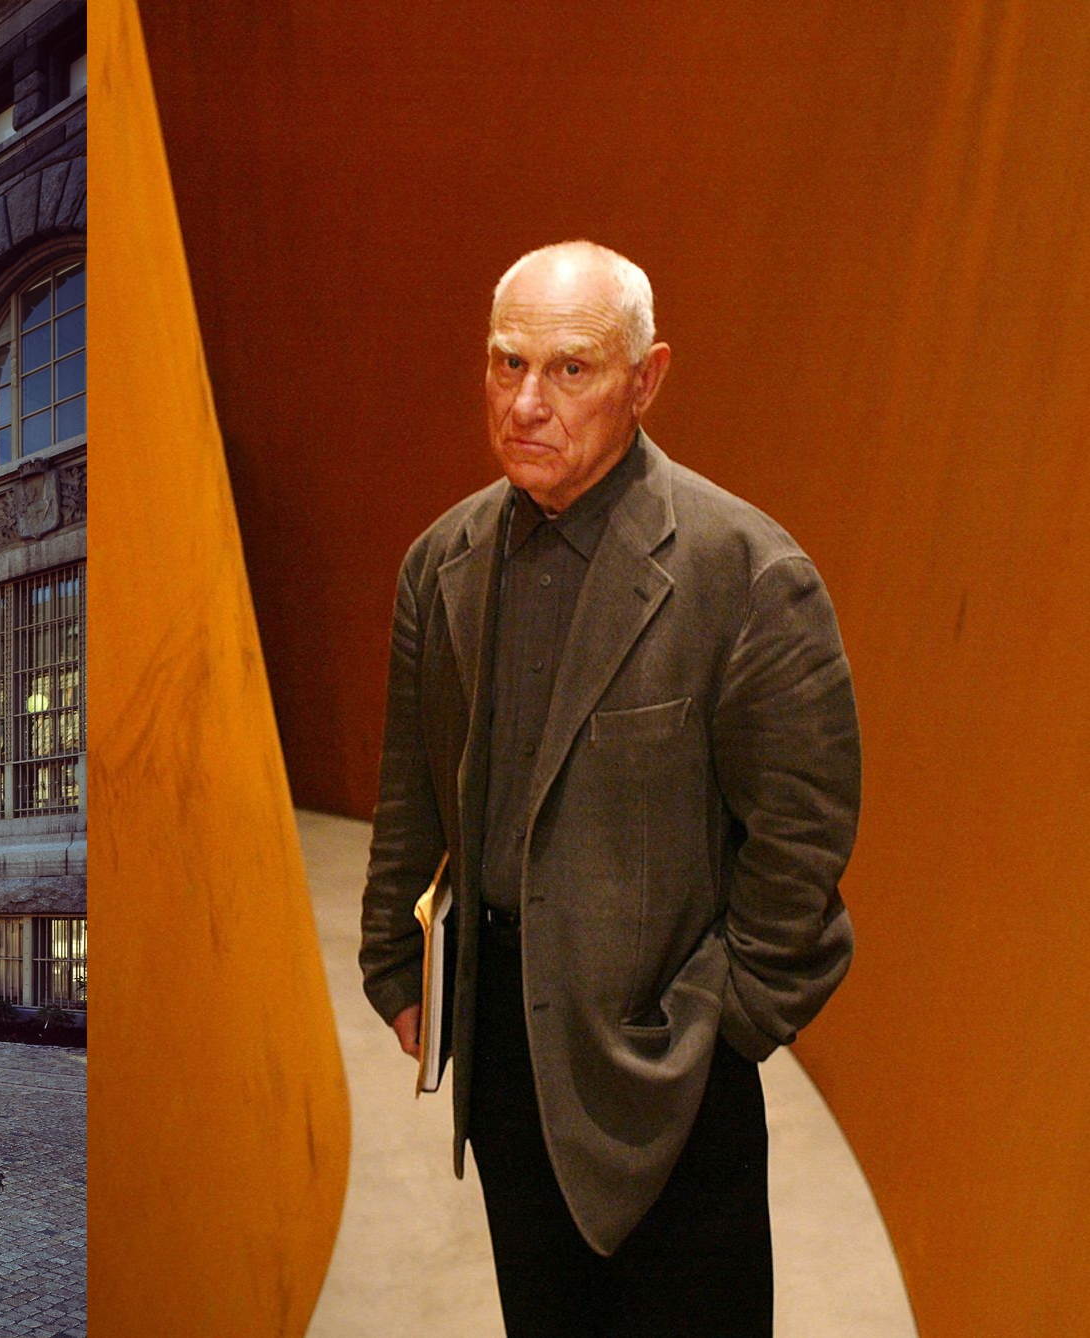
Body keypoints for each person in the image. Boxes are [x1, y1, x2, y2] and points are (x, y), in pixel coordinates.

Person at [358, 241, 860, 1336]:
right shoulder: (438, 563)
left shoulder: (746, 573)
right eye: (504, 364)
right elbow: (414, 792)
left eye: (570, 370)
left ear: (647, 378)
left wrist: (721, 1024)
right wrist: (397, 966)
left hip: (668, 1063)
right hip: (501, 1046)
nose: (527, 402)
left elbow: (803, 837)